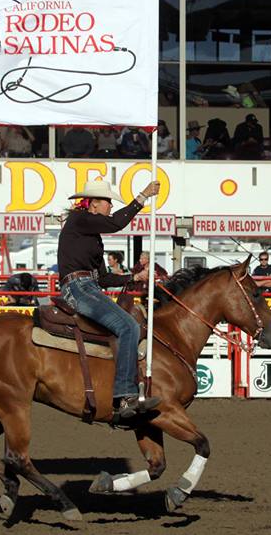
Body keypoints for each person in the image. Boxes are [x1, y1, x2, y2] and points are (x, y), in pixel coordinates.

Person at [57, 178, 162, 420]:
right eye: (108, 202)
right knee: (128, 326)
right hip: (79, 287)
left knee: (127, 325)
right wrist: (143, 197)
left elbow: (103, 278)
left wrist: (133, 276)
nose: (111, 207)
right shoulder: (78, 219)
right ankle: (124, 395)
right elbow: (116, 223)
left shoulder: (90, 235)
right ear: (93, 205)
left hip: (86, 286)